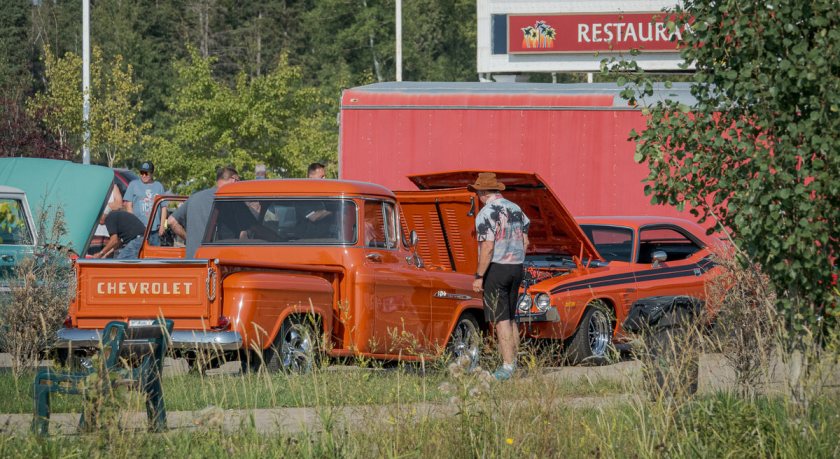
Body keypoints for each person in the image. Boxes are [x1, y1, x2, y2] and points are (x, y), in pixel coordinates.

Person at [469, 172, 530, 381]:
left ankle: (507, 367)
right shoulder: (516, 209)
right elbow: (525, 241)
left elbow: (487, 247)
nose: (478, 196)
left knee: (501, 319)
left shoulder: (486, 213)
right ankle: (515, 364)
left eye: (478, 192)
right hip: (516, 266)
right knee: (511, 317)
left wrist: (479, 275)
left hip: (497, 267)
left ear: (483, 192)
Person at [167, 166, 239, 258]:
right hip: (216, 260)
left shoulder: (194, 197)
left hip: (192, 260)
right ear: (234, 180)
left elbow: (171, 221)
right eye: (239, 181)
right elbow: (250, 228)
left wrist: (189, 239)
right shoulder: (231, 200)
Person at [124, 161, 165, 245]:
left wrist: (163, 225)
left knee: (154, 253)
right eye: (141, 172)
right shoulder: (133, 185)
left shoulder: (159, 186)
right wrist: (133, 224)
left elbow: (164, 207)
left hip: (154, 231)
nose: (143, 175)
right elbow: (128, 206)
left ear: (152, 173)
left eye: (146, 173)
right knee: (138, 252)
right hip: (139, 230)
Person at [90, 184, 124, 256]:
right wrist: (110, 207)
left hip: (108, 234)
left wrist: (105, 209)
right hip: (93, 234)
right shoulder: (91, 186)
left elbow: (119, 204)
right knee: (91, 258)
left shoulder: (113, 187)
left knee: (106, 258)